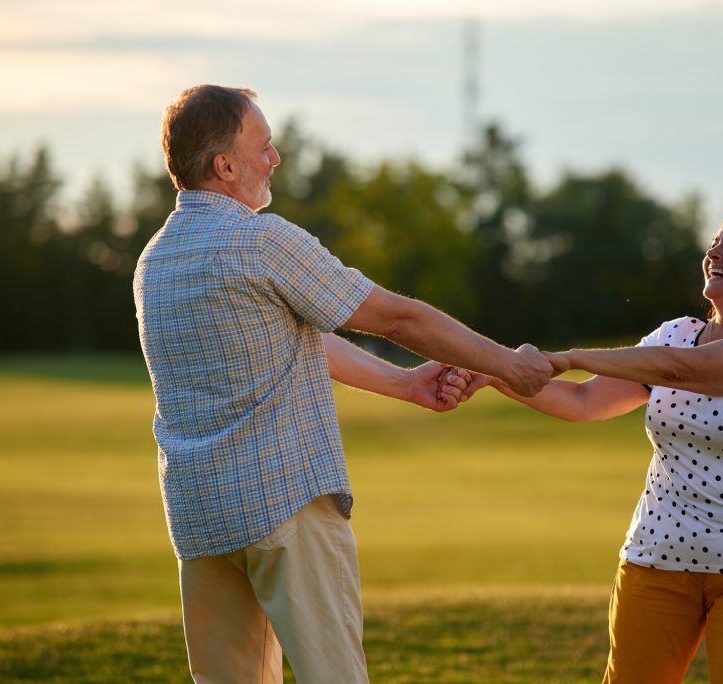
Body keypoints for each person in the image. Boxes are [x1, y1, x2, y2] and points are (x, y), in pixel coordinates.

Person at [131, 84, 550, 684]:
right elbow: (396, 317)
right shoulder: (260, 239)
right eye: (264, 146)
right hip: (286, 507)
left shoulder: (155, 259)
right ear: (224, 165)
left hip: (202, 519)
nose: (274, 158)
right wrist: (509, 364)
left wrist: (406, 386)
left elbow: (291, 337)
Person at [453, 205, 723, 683]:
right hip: (657, 558)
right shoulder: (675, 334)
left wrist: (565, 357)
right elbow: (585, 400)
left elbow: (683, 370)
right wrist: (497, 373)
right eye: (715, 241)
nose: (715, 251)